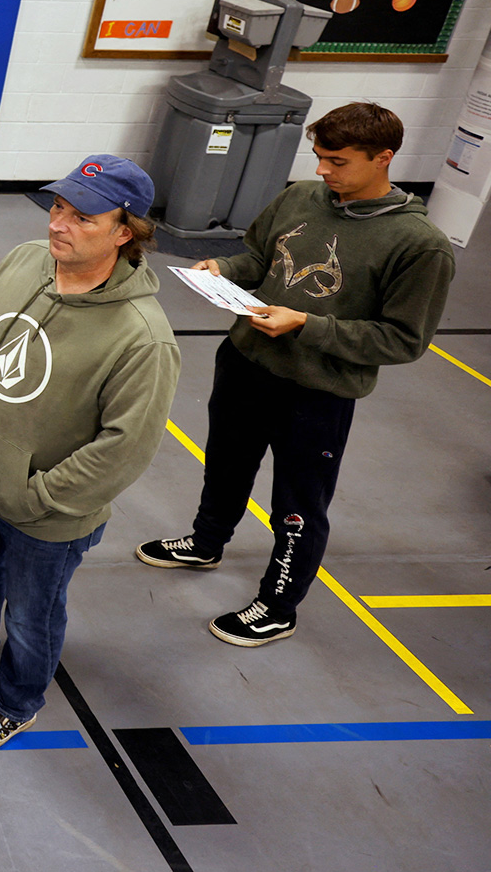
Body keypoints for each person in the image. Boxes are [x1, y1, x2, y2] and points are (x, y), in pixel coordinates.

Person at [136, 103, 454, 646]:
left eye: (338, 161)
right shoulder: (303, 197)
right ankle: (207, 541)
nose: (323, 171)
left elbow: (402, 340)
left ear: (384, 159)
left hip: (317, 393)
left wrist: (306, 325)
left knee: (298, 503)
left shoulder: (420, 246)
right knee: (227, 463)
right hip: (245, 362)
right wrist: (224, 269)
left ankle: (279, 604)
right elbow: (258, 258)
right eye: (319, 157)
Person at [0, 154, 178, 752]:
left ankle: (15, 699)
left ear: (125, 232)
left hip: (49, 512)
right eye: (57, 206)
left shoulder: (142, 336)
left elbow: (125, 447)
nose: (58, 224)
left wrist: (41, 497)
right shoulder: (25, 261)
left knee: (32, 613)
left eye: (83, 217)